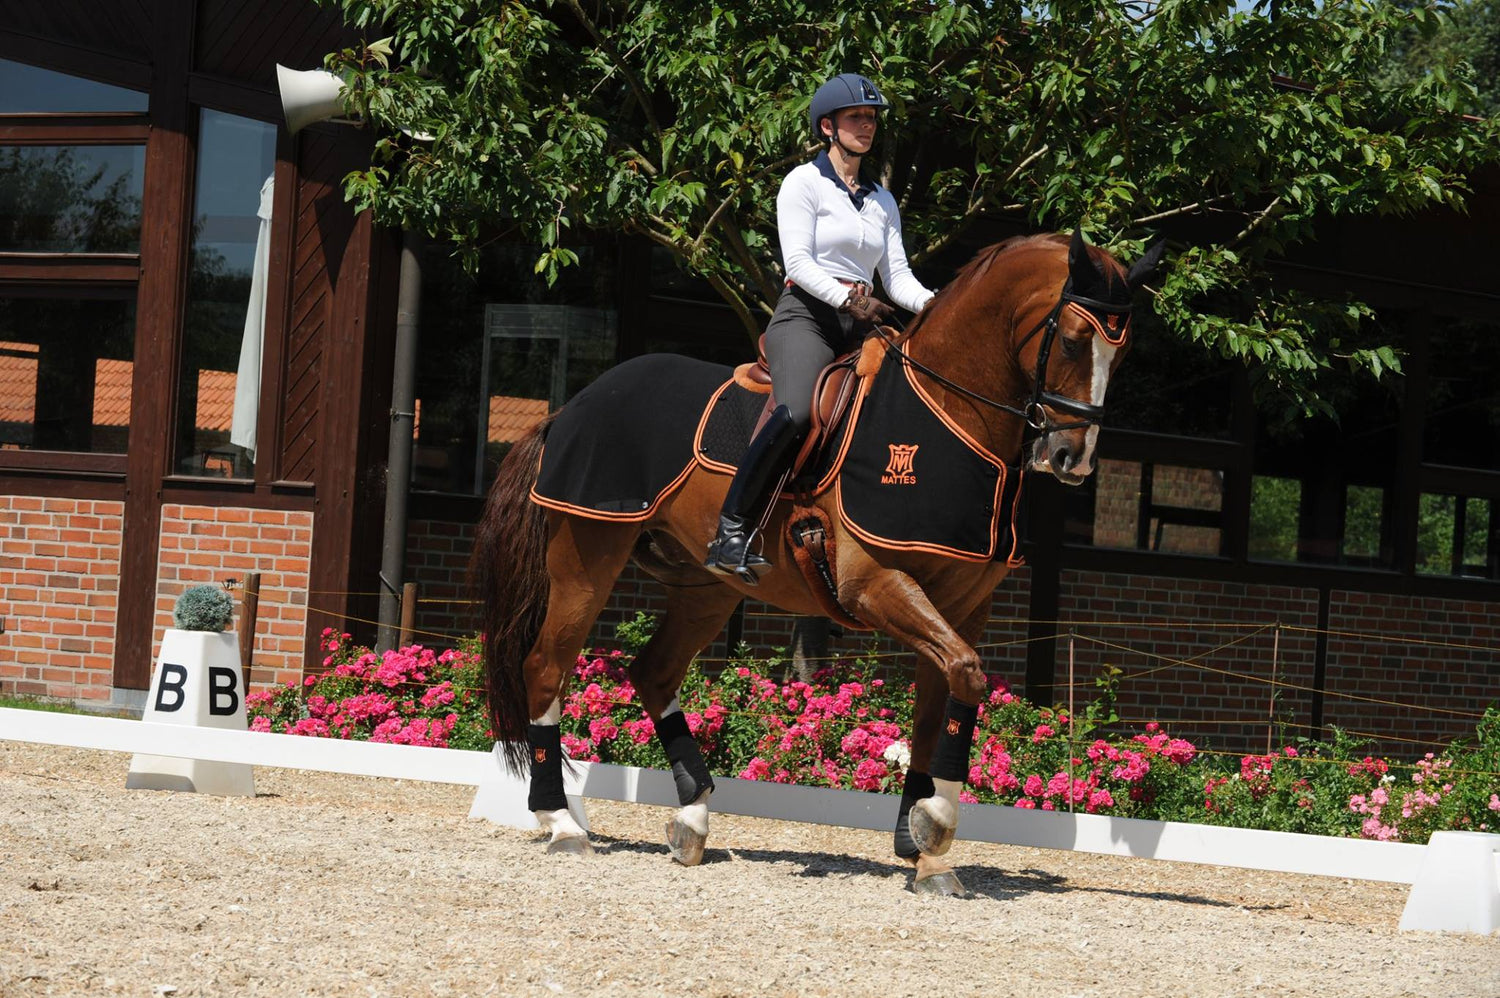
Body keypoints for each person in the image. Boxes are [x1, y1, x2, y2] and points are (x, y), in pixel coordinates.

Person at [704, 72, 937, 584]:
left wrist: (941, 306)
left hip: (862, 324)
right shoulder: (802, 183)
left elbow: (897, 279)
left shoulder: (882, 199)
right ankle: (731, 529)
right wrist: (851, 299)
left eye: (872, 118)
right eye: (857, 117)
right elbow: (800, 263)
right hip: (806, 316)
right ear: (828, 126)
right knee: (795, 413)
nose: (867, 126)